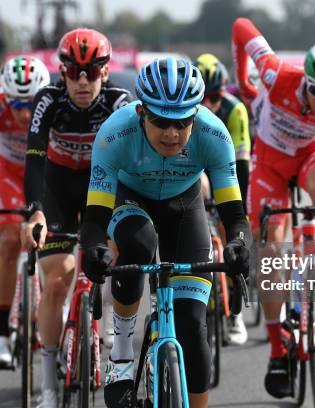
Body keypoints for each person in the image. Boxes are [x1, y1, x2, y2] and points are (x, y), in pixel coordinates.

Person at [80, 57, 252, 408]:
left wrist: (238, 243)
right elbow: (95, 215)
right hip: (130, 201)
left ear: (196, 114)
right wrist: (96, 247)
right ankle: (123, 351)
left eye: (182, 123)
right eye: (161, 122)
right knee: (140, 245)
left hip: (185, 207)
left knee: (192, 325)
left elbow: (236, 213)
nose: (172, 134)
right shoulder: (115, 133)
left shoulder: (214, 134)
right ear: (142, 112)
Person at [232, 17, 315, 398]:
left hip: (307, 159)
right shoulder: (275, 72)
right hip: (269, 162)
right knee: (270, 248)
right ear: (306, 76)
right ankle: (276, 348)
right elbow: (240, 27)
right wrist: (243, 82)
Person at [20, 28, 132, 408]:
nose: (82, 82)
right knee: (56, 280)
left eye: (92, 72)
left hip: (102, 186)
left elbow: (132, 162)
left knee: (117, 260)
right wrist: (34, 209)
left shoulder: (120, 102)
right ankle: (49, 383)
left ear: (104, 71)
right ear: (63, 72)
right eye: (73, 73)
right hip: (58, 188)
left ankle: (110, 333)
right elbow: (34, 158)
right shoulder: (47, 100)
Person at [0, 56, 50, 368]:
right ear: (5, 99)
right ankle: (1, 334)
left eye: (31, 103)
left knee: (53, 244)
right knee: (7, 241)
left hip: (43, 172)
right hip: (8, 172)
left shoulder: (53, 106)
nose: (25, 113)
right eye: (16, 105)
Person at [194, 53, 251, 346]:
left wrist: (238, 214)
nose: (207, 106)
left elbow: (241, 167)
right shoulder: (185, 112)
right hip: (197, 172)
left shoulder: (235, 111)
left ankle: (236, 314)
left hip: (227, 171)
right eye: (202, 97)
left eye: (215, 97)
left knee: (237, 240)